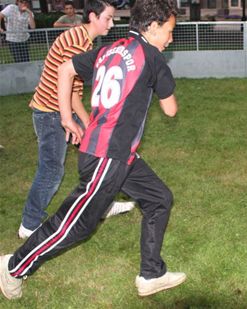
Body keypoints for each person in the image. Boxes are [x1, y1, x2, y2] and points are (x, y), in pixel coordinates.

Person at [0, 0, 185, 300]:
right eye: (169, 31)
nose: (171, 38)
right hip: (107, 157)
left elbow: (64, 69)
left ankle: (151, 274)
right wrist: (159, 82)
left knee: (159, 198)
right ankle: (12, 266)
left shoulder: (109, 49)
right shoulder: (152, 57)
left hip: (116, 154)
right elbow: (171, 109)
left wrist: (65, 116)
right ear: (152, 28)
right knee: (74, 226)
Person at [17, 0, 134, 240]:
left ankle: (101, 204)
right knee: (51, 169)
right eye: (108, 18)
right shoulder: (77, 42)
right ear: (93, 16)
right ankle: (29, 223)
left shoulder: (82, 39)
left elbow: (73, 92)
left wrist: (88, 123)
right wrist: (79, 121)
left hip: (61, 110)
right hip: (51, 113)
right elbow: (68, 90)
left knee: (98, 154)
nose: (112, 24)